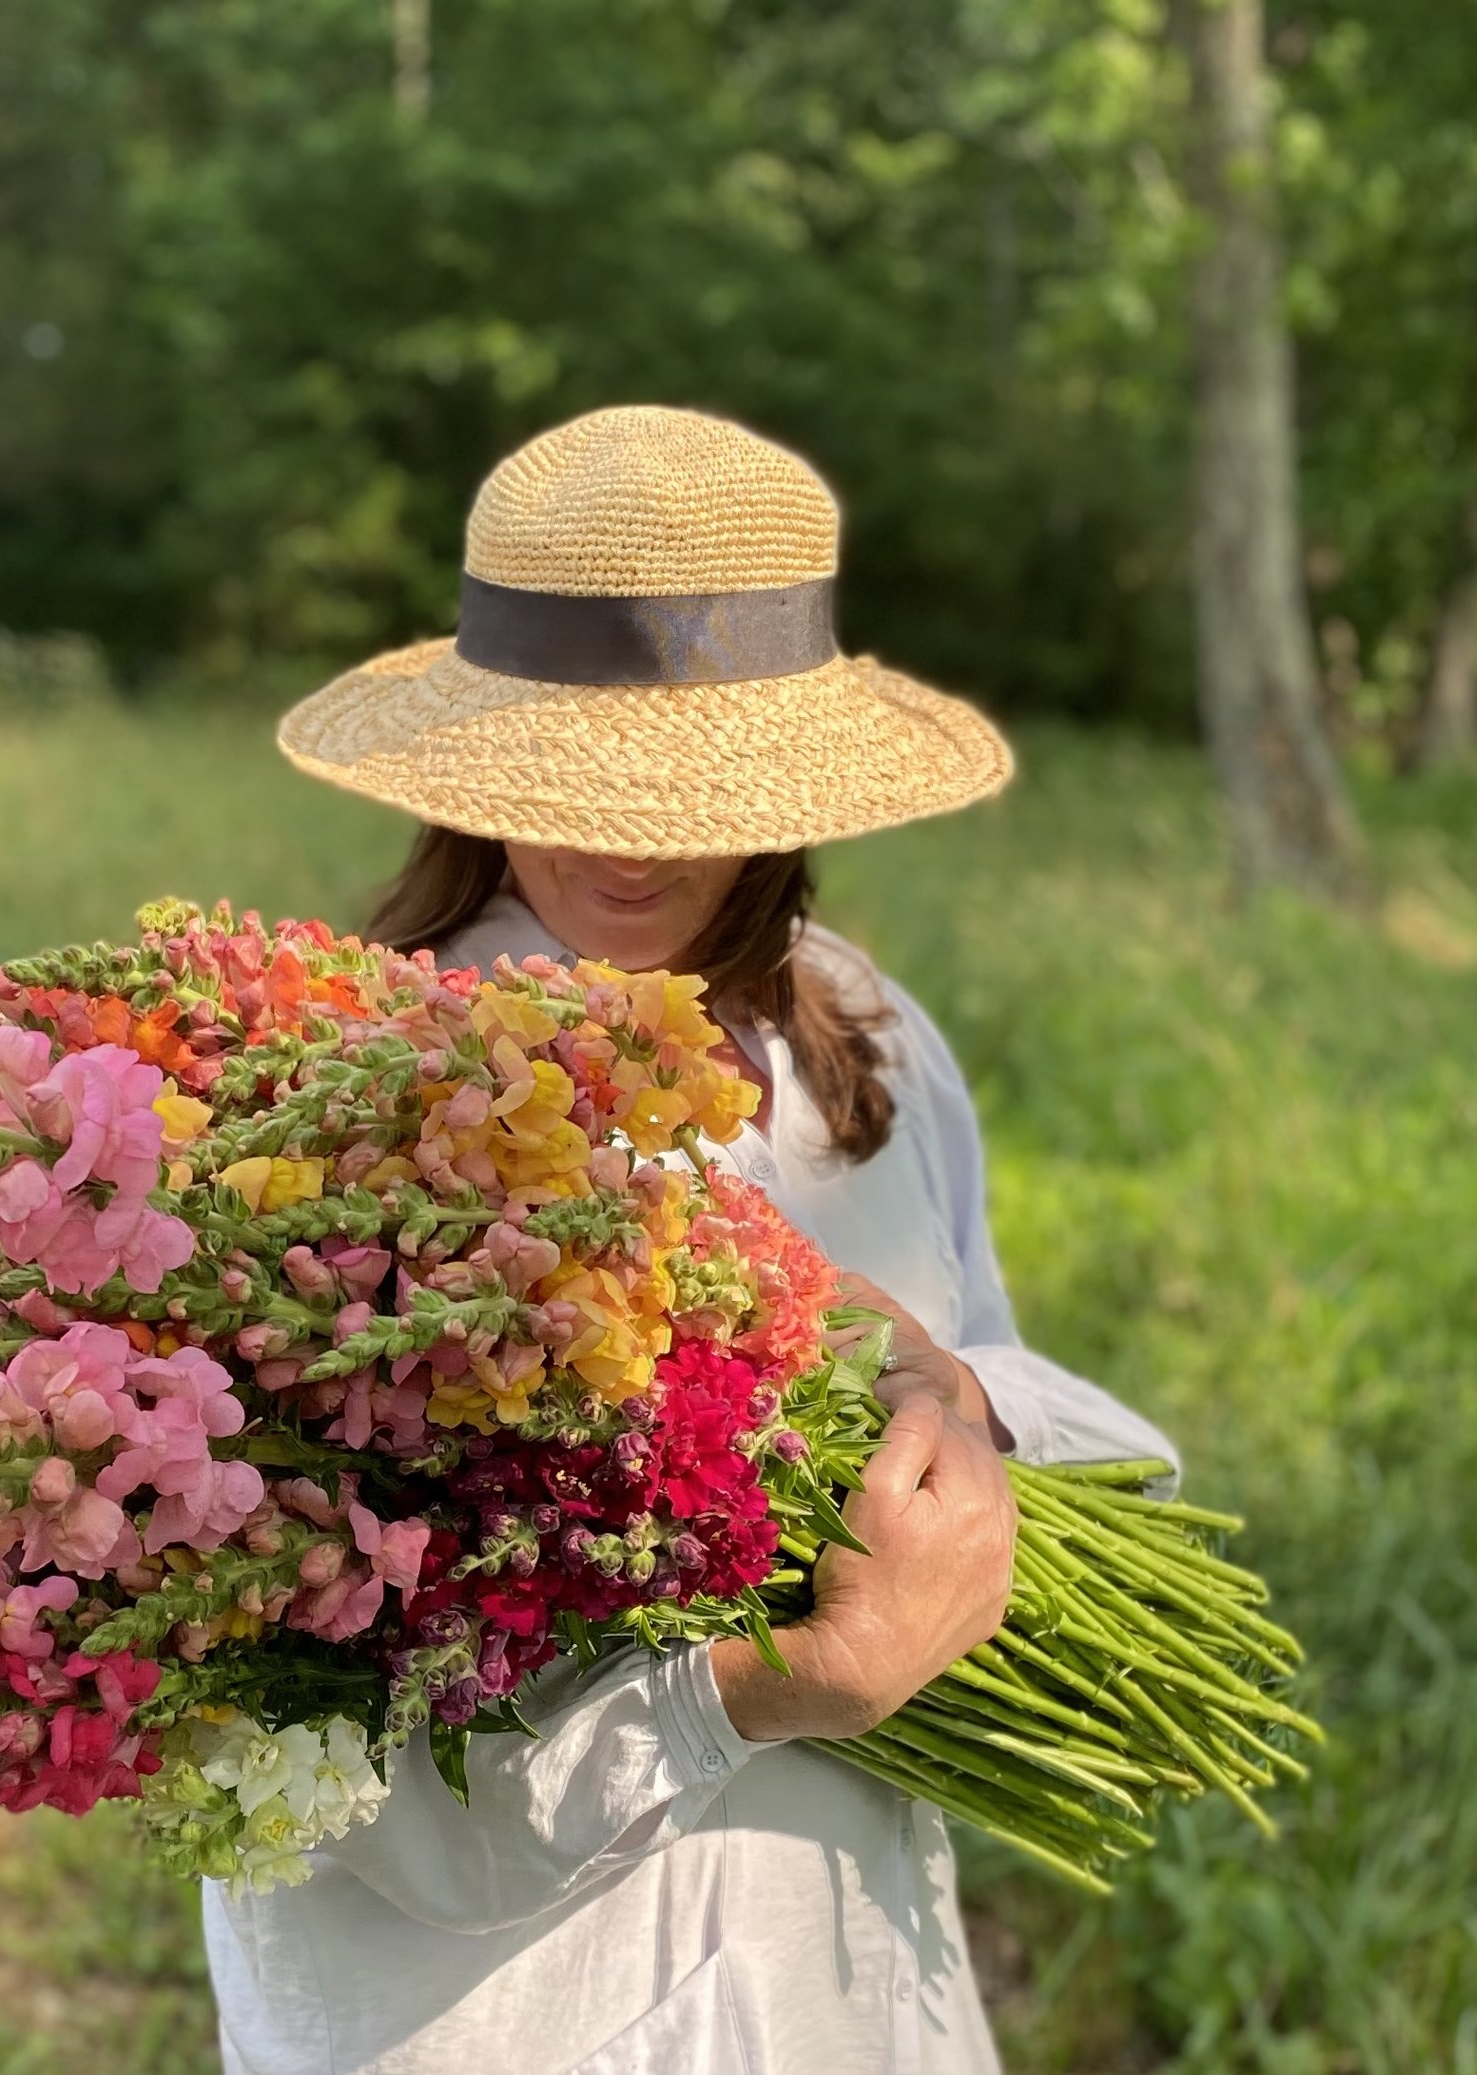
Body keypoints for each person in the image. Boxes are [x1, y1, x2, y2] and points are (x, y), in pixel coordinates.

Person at [205, 405, 1181, 2074]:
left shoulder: (862, 1035)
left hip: (835, 1959)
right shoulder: (357, 1115)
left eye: (694, 787)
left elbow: (996, 1372)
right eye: (570, 776)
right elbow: (319, 1766)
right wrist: (770, 1688)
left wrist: (965, 1411)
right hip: (496, 2008)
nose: (627, 839)